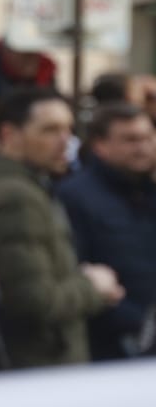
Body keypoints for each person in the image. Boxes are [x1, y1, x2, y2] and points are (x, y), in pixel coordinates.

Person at [0, 87, 124, 373]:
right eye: (50, 130)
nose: (65, 140)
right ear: (9, 134)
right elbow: (32, 302)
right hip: (34, 369)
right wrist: (93, 287)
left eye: (68, 129)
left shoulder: (11, 187)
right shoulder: (15, 198)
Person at [56, 102, 156, 361]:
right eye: (130, 140)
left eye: (148, 137)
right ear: (101, 145)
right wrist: (139, 322)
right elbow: (74, 267)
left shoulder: (149, 191)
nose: (143, 148)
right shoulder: (74, 196)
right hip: (111, 345)